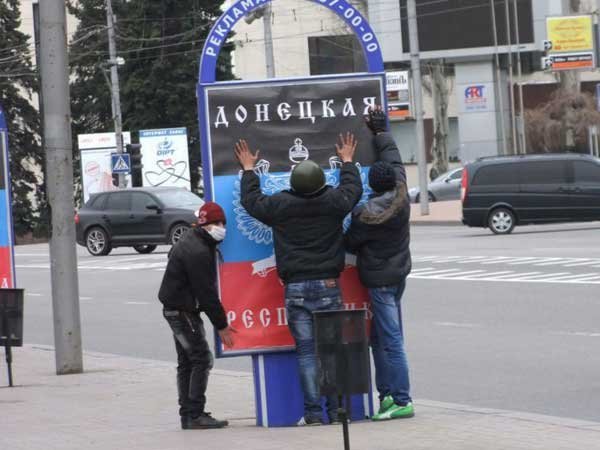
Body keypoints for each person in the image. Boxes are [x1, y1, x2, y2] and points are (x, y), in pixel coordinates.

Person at [234, 133, 363, 426]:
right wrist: (347, 161)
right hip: (329, 286)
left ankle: (313, 414)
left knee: (306, 353)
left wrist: (249, 169)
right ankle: (337, 412)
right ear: (320, 182)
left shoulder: (281, 205)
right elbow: (353, 190)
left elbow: (252, 201)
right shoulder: (334, 201)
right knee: (332, 353)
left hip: (296, 289)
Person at [344, 106, 414, 421]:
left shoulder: (365, 214)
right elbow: (395, 160)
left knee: (391, 339)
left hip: (379, 282)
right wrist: (381, 131)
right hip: (398, 274)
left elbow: (350, 243)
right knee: (379, 338)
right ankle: (386, 395)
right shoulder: (402, 196)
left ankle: (401, 400)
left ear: (372, 185)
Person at [158, 201, 237, 430]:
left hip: (176, 307)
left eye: (223, 223)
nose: (222, 228)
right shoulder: (198, 251)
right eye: (218, 223)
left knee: (187, 362)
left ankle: (188, 414)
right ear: (206, 224)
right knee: (202, 359)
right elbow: (206, 293)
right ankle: (195, 414)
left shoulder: (194, 239)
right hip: (182, 311)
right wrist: (221, 325)